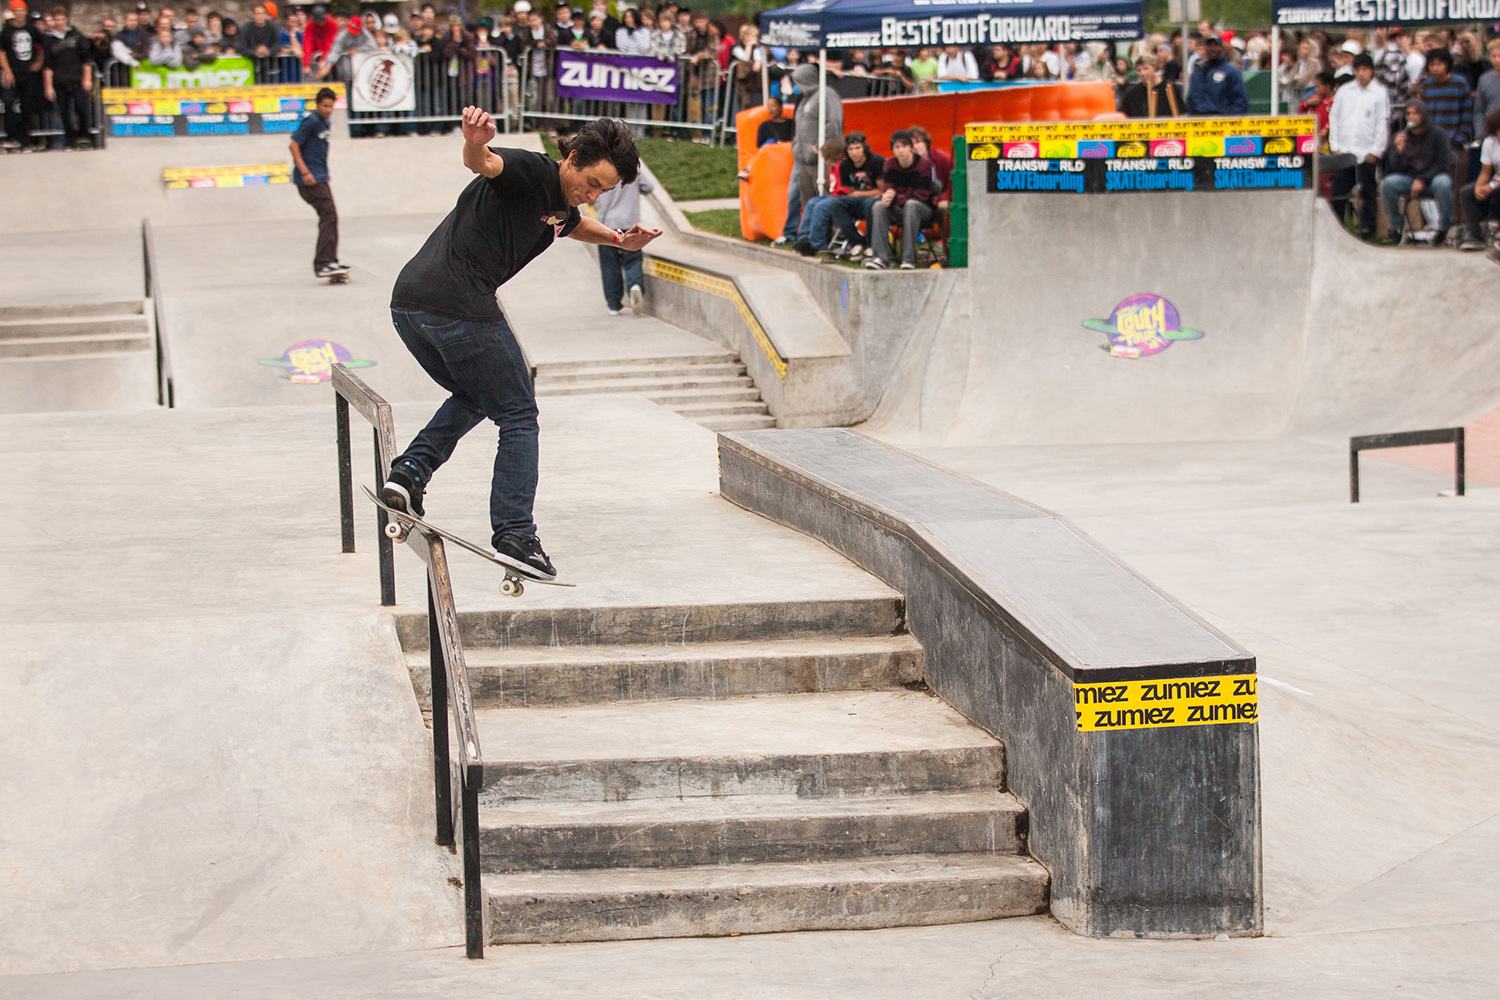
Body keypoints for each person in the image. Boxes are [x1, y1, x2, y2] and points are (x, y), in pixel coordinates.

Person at [382, 113, 661, 581]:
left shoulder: (561, 202)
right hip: (458, 300)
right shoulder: (532, 172)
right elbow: (486, 164)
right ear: (570, 160)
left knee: (478, 393)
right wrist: (473, 144)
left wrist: (617, 239)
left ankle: (410, 472)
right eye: (591, 183)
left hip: (410, 305)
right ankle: (515, 532)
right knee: (517, 413)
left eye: (602, 192)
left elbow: (571, 224)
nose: (592, 196)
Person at [773, 60, 841, 247]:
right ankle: (804, 235)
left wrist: (823, 147)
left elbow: (833, 123)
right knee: (803, 198)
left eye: (798, 81)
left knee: (827, 195)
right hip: (802, 158)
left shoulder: (827, 96)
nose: (796, 86)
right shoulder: (803, 100)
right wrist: (796, 146)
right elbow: (799, 127)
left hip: (823, 157)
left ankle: (832, 236)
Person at [793, 130, 881, 256]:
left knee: (820, 207)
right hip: (837, 195)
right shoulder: (836, 167)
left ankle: (818, 245)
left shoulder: (843, 166)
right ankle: (804, 237)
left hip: (844, 197)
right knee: (812, 202)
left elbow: (847, 190)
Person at [1329, 54, 1388, 240]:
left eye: (1365, 69)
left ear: (1371, 71)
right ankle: (1337, 228)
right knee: (1338, 192)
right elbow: (1335, 119)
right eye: (1358, 69)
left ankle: (1368, 229)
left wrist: (1376, 150)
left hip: (1366, 152)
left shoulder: (1379, 93)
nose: (1361, 74)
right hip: (1345, 151)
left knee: (1368, 193)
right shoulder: (1345, 91)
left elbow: (1381, 124)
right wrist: (1335, 146)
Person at [289, 87, 346, 278]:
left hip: (320, 175)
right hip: (309, 179)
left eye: (331, 106)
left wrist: (325, 171)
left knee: (330, 215)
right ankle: (324, 263)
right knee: (328, 213)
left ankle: (330, 260)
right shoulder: (312, 121)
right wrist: (305, 172)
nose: (328, 109)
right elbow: (294, 145)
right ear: (317, 105)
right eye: (324, 106)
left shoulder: (325, 122)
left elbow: (318, 150)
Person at [1380, 99, 1454, 243]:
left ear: (1423, 114)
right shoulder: (1401, 136)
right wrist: (1398, 151)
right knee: (1388, 184)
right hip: (1409, 178)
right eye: (1408, 114)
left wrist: (1422, 180)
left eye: (1415, 113)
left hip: (1433, 178)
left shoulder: (1438, 134)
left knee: (1444, 183)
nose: (1411, 117)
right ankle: (1397, 227)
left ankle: (1444, 227)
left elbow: (1443, 163)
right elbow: (1395, 168)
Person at [865, 129, 933, 270]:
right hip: (900, 208)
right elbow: (887, 188)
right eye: (897, 147)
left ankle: (908, 259)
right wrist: (888, 196)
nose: (901, 150)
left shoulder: (923, 163)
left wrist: (896, 198)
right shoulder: (890, 164)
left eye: (904, 146)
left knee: (911, 205)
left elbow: (922, 194)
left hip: (922, 209)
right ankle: (880, 258)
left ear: (910, 148)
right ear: (893, 150)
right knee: (878, 206)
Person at [595, 171, 653, 314]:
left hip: (607, 225)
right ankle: (635, 285)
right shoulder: (632, 164)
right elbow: (648, 186)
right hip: (630, 223)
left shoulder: (600, 164)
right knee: (633, 258)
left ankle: (613, 304)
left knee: (609, 264)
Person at [40, 4, 88, 148]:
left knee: (81, 107)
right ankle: (70, 139)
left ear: (66, 19)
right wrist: (48, 86)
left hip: (76, 77)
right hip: (60, 79)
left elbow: (85, 59)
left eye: (62, 19)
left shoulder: (76, 35)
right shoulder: (49, 40)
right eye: (57, 19)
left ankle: (83, 135)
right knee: (64, 111)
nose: (60, 22)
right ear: (54, 21)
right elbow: (48, 65)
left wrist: (87, 77)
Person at [1, 1, 44, 151]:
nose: (19, 13)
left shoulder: (32, 29)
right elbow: (2, 52)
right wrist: (7, 71)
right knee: (8, 103)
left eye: (21, 10)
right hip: (12, 73)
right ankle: (12, 137)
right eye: (16, 10)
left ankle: (26, 139)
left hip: (28, 73)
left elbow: (41, 46)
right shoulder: (6, 30)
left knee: (28, 106)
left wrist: (39, 61)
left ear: (25, 12)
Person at [1459, 107, 1500, 250]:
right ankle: (1474, 235)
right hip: (1495, 181)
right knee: (1467, 192)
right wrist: (1479, 187)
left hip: (1496, 184)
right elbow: (1485, 171)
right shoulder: (1490, 142)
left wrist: (1491, 187)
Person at [1187, 35, 1247, 115]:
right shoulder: (1198, 70)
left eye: (1216, 45)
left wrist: (1229, 118)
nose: (1213, 49)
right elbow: (1191, 97)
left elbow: (1240, 101)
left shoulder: (1231, 72)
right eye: (1209, 45)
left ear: (1222, 48)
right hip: (1199, 122)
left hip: (1221, 121)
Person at [1473, 37, 1500, 144]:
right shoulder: (1484, 79)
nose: (1497, 60)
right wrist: (1480, 135)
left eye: (1499, 56)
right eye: (1494, 56)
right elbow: (1479, 110)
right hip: (1490, 135)